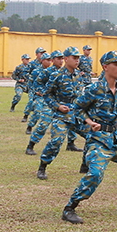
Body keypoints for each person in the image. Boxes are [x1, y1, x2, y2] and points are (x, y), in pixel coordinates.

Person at [62, 51, 117, 224]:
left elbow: (113, 113)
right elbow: (77, 108)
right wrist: (88, 121)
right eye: (115, 64)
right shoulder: (94, 89)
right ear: (105, 67)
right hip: (98, 141)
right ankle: (69, 208)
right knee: (95, 174)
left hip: (116, 139)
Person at [36, 46, 88, 180]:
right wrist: (58, 106)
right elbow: (47, 95)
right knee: (57, 141)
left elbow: (81, 95)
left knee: (93, 135)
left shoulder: (78, 75)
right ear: (66, 59)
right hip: (62, 115)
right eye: (74, 58)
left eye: (78, 58)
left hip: (77, 114)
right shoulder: (56, 75)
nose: (77, 61)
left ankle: (85, 165)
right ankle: (43, 166)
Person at [25, 51, 55, 155]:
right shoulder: (37, 71)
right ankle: (30, 126)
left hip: (52, 99)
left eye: (50, 60)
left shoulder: (57, 72)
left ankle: (71, 143)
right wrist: (36, 93)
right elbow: (32, 84)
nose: (49, 62)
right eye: (47, 60)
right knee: (37, 112)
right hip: (39, 96)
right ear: (42, 61)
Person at [22, 47, 46, 125]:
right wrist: (31, 78)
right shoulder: (32, 64)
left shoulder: (45, 63)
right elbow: (25, 72)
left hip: (42, 87)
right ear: (36, 54)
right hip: (32, 86)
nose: (42, 55)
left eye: (43, 53)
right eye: (41, 53)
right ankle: (26, 115)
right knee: (31, 101)